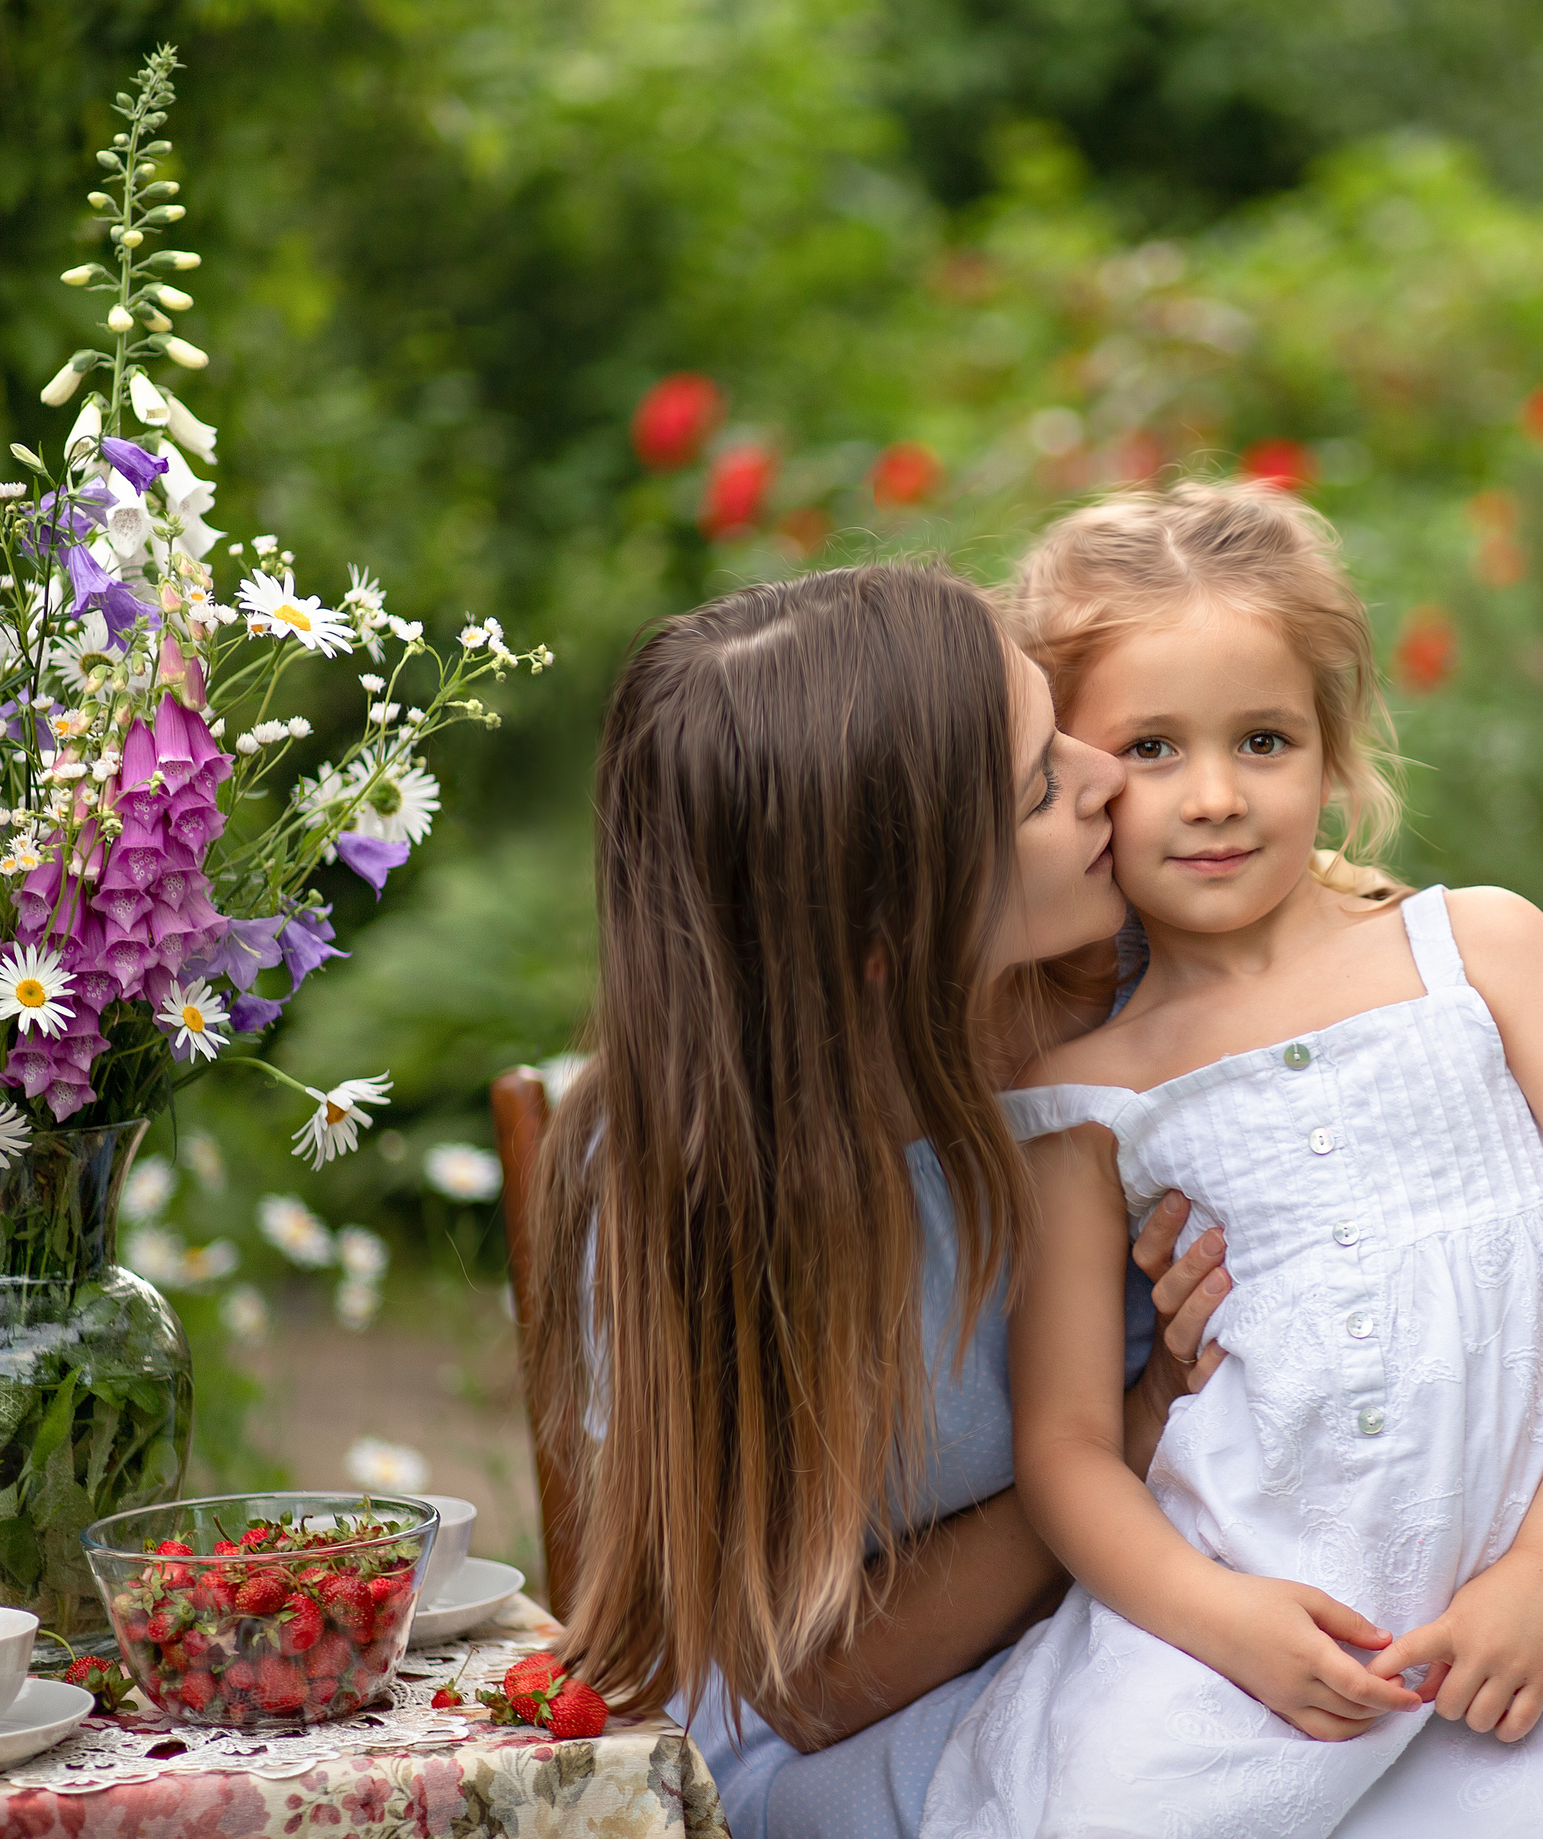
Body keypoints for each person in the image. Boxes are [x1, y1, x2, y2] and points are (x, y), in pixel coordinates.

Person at [919, 484, 1543, 1837]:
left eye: (1264, 738)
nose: (1215, 795)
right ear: (1079, 774)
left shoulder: (1484, 951)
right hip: (1271, 1616)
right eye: (1152, 746)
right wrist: (1221, 1620)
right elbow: (1065, 1446)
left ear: (1335, 751)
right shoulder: (1081, 1092)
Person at [526, 562, 1246, 1839]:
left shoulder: (1153, 984)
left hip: (1159, 1645)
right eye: (1041, 787)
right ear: (883, 927)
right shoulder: (682, 1200)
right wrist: (1115, 1437)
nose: (1106, 777)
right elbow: (806, 1687)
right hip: (885, 1747)